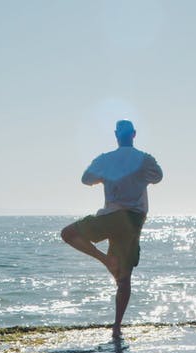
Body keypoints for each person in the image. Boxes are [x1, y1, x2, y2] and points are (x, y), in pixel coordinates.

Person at [61, 120, 163, 338]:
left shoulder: (105, 159)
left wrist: (106, 176)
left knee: (68, 234)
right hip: (133, 220)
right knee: (124, 278)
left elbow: (86, 179)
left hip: (112, 217)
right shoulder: (145, 159)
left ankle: (104, 260)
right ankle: (117, 327)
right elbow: (158, 177)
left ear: (116, 135)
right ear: (133, 134)